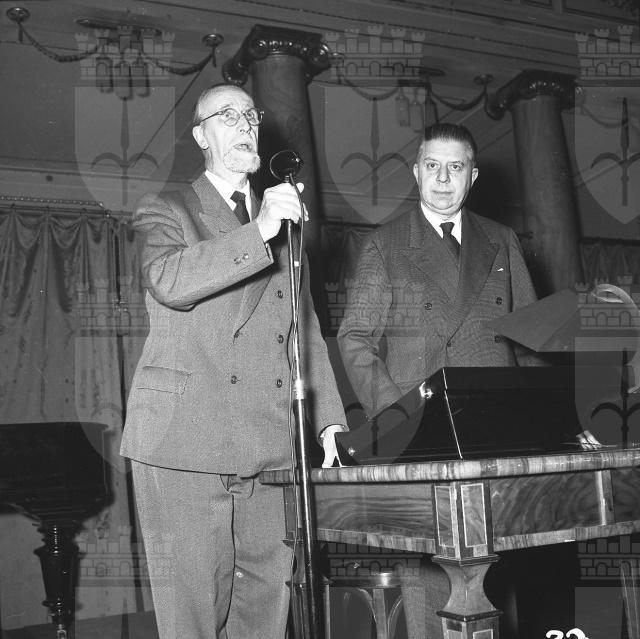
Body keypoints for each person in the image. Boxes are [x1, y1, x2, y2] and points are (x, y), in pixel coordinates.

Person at [120, 83, 346, 639]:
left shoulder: (285, 221)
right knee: (193, 616)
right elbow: (169, 281)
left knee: (264, 612)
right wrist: (259, 230)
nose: (245, 124)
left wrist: (328, 422)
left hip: (269, 444)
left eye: (250, 115)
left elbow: (304, 325)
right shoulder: (167, 208)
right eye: (227, 116)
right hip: (184, 440)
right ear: (201, 137)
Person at [337, 123, 573, 638]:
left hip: (498, 437)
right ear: (416, 172)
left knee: (499, 578)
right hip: (423, 436)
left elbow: (531, 342)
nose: (443, 179)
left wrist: (553, 428)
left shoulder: (501, 240)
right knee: (431, 582)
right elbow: (355, 339)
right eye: (433, 166)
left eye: (456, 167)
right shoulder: (385, 244)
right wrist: (399, 418)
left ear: (473, 176)